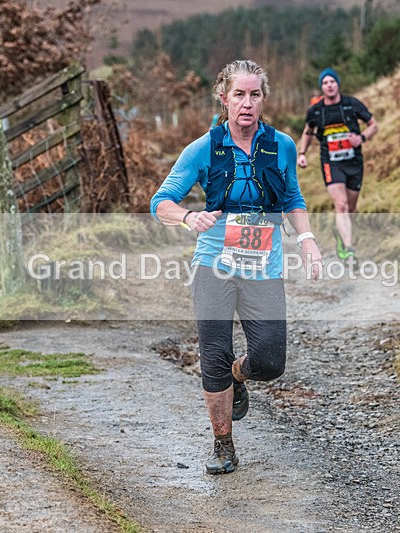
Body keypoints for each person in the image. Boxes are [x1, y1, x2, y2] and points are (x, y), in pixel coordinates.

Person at [151, 60, 322, 475]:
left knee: (270, 361)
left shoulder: (281, 144)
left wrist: (307, 239)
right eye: (239, 95)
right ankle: (223, 444)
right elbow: (161, 202)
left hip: (264, 263)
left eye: (255, 94)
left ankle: (239, 376)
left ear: (264, 99)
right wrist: (189, 217)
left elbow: (293, 198)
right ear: (224, 98)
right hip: (214, 262)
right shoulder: (203, 148)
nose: (247, 103)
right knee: (213, 352)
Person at [297, 68, 378, 260]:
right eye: (325, 83)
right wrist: (302, 153)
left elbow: (374, 124)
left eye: (332, 81)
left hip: (354, 162)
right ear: (322, 87)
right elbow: (308, 132)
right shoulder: (316, 111)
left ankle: (342, 237)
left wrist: (362, 138)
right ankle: (349, 250)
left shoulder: (352, 104)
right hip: (331, 163)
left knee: (350, 208)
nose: (329, 85)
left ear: (337, 84)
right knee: (341, 205)